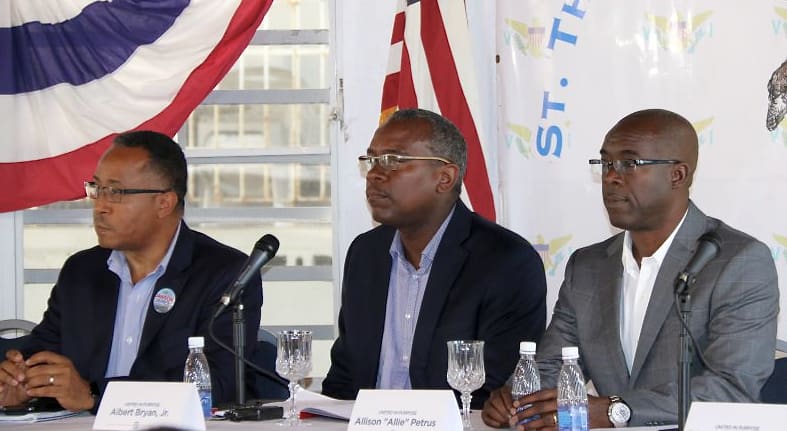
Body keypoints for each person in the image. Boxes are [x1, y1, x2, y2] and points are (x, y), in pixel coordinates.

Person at [482, 108, 779, 429]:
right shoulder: (588, 266)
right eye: (606, 163)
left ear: (677, 175)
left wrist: (615, 409)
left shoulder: (735, 261)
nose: (611, 176)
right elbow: (553, 363)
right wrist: (517, 395)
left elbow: (732, 387)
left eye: (629, 163)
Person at [0, 131, 263, 412]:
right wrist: (20, 381)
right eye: (97, 189)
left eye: (115, 192)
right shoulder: (82, 271)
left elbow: (218, 384)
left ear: (164, 203)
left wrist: (94, 395)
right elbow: (45, 352)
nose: (100, 206)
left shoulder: (224, 273)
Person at [322, 108, 547, 408]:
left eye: (393, 161)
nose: (375, 174)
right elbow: (344, 378)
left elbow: (496, 393)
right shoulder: (366, 254)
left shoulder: (506, 262)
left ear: (444, 178)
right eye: (372, 160)